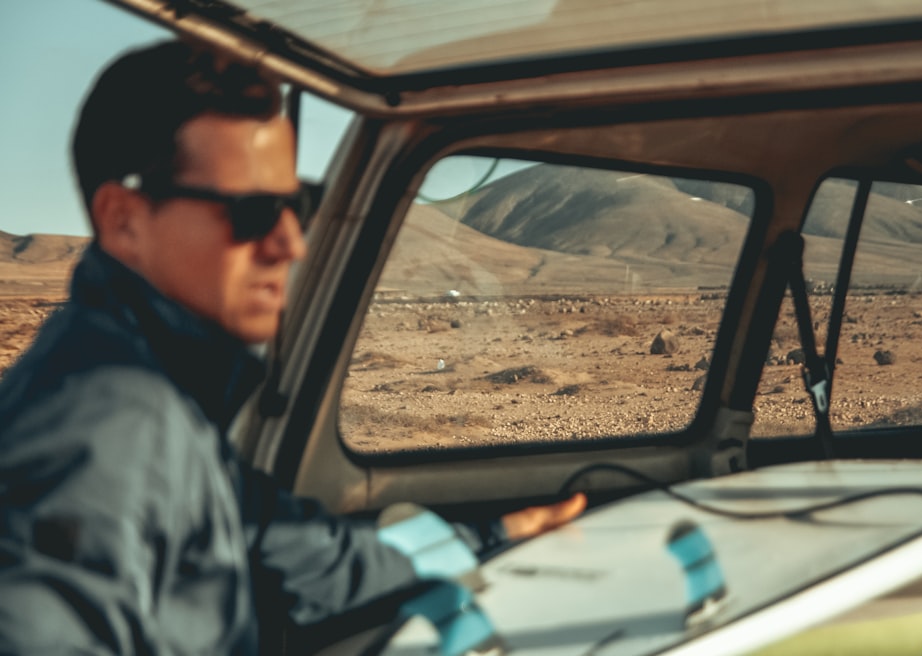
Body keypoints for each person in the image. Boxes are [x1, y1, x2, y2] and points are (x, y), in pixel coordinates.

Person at [0, 39, 585, 654]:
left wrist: (493, 535)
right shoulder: (103, 430)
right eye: (252, 212)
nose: (291, 245)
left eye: (295, 206)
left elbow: (309, 552)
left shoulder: (165, 399)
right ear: (123, 219)